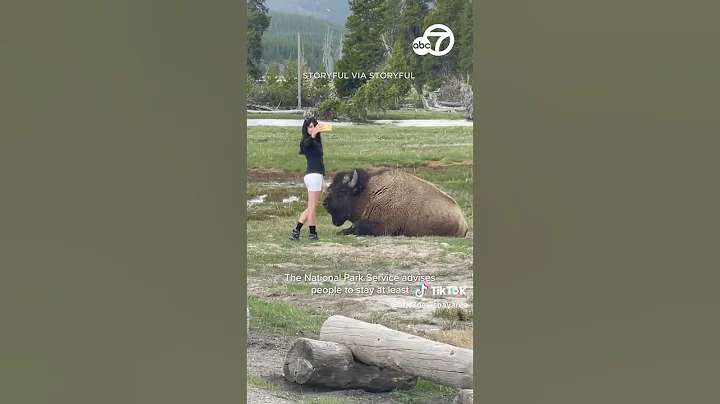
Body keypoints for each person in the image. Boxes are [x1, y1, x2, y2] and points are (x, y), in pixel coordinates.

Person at [290, 117, 327, 241]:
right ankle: (312, 234)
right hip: (312, 176)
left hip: (316, 176)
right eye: (310, 127)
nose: (312, 129)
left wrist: (323, 179)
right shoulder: (306, 142)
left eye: (314, 126)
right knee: (312, 207)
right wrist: (313, 135)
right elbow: (306, 144)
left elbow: (320, 162)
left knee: (312, 206)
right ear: (306, 128)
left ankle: (296, 231)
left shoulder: (316, 142)